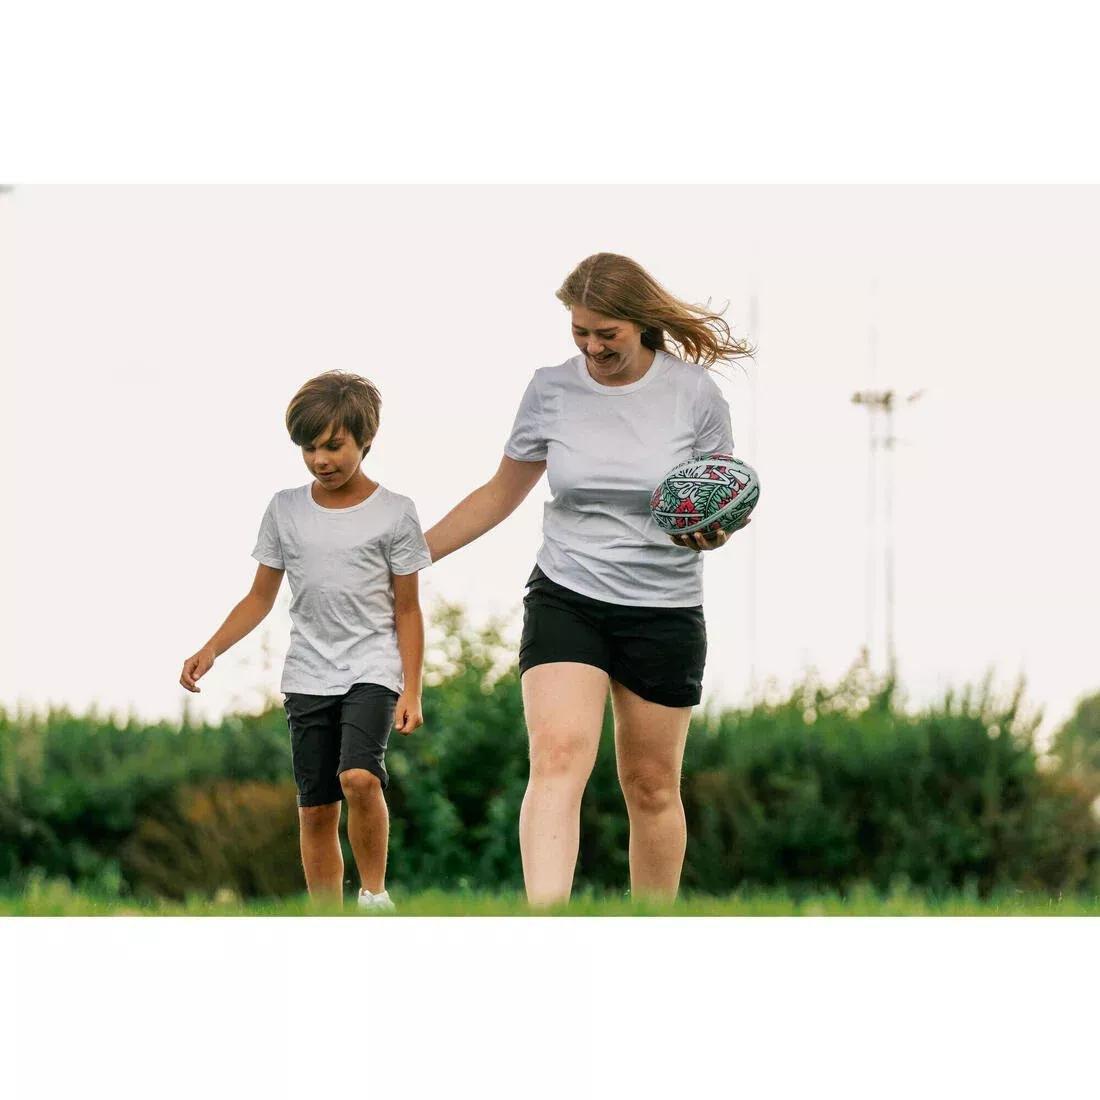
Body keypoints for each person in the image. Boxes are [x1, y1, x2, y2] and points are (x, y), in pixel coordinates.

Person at [425, 253, 753, 906]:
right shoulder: (551, 390)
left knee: (652, 784)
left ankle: (650, 929)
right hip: (568, 594)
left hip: (664, 606)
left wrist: (715, 532)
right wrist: (408, 556)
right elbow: (499, 494)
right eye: (580, 331)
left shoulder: (694, 395)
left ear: (641, 323)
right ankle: (546, 924)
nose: (593, 346)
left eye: (607, 333)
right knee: (557, 757)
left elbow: (721, 499)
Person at [179, 370, 430, 911]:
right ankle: (326, 919)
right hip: (308, 673)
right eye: (309, 448)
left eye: (334, 446)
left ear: (366, 439)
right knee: (316, 809)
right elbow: (259, 597)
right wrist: (211, 648)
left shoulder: (395, 512)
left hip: (373, 667)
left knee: (359, 777)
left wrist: (412, 688)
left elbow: (407, 609)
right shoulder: (285, 509)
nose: (321, 460)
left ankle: (374, 895)